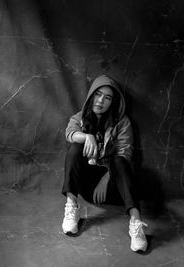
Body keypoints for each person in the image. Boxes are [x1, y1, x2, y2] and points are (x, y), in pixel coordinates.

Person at [61, 74, 148, 252]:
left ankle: (136, 223)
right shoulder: (80, 117)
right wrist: (87, 136)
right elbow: (70, 133)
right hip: (87, 188)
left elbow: (125, 154)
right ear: (91, 95)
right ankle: (71, 208)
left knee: (119, 159)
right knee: (75, 149)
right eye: (98, 94)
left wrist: (107, 177)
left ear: (112, 102)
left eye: (107, 98)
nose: (100, 101)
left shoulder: (122, 122)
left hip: (114, 188)